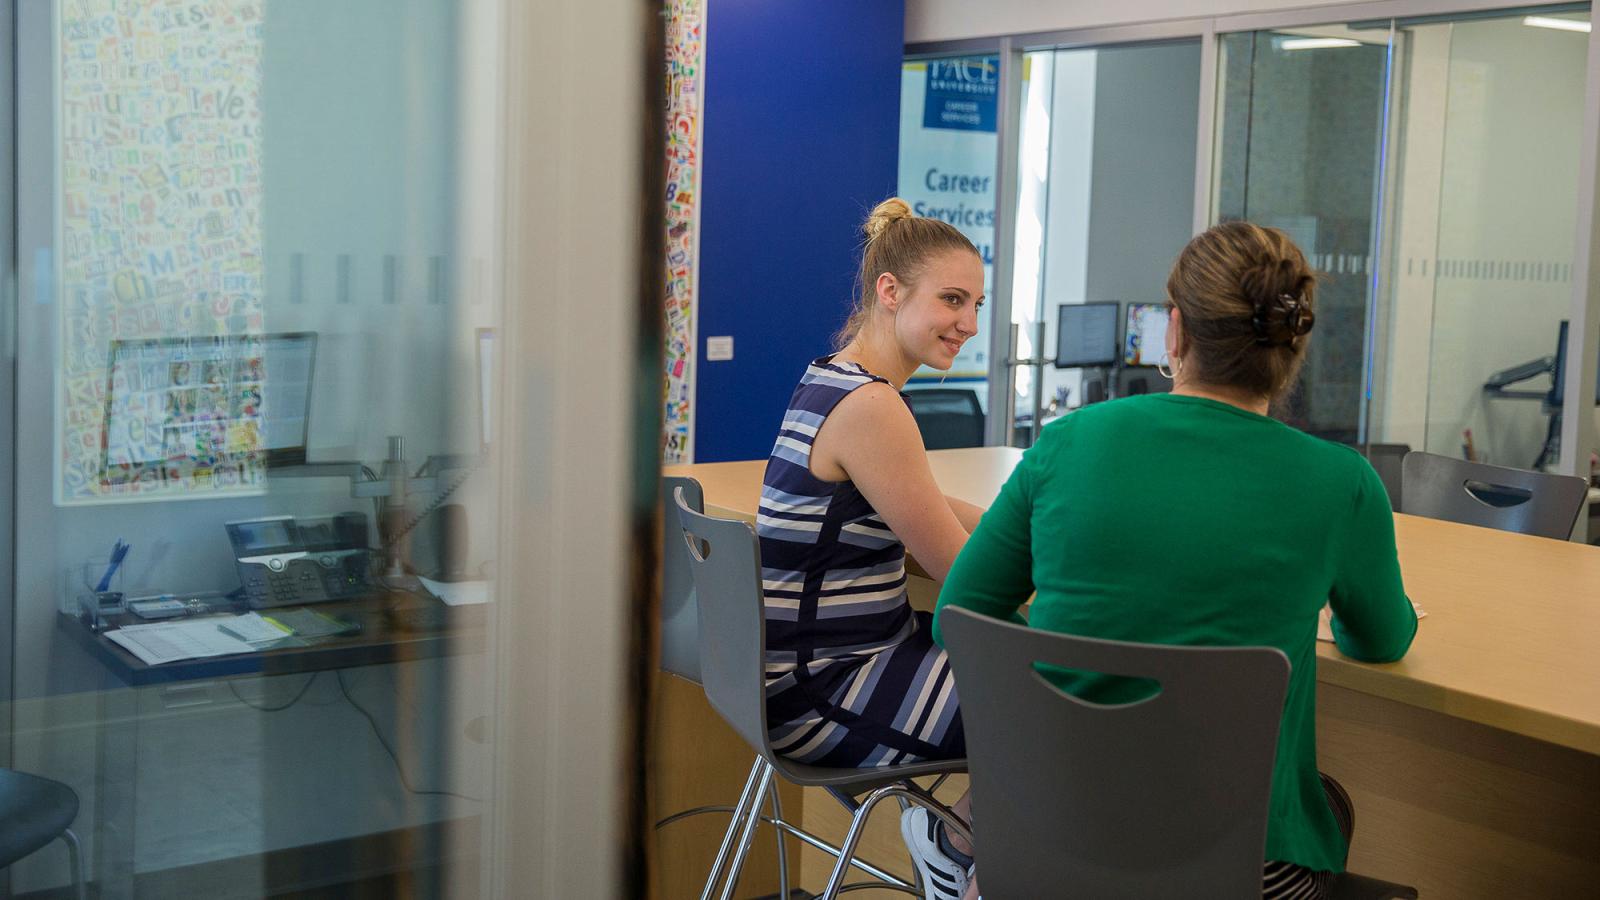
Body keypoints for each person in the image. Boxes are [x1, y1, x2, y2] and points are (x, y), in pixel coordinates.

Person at [934, 220, 1418, 899]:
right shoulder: (1342, 483)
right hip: (1240, 875)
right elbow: (1382, 637)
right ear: (1293, 348)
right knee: (1328, 801)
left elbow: (956, 613)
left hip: (1046, 849)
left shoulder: (1069, 442)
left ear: (1177, 333)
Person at [756, 197, 984, 899]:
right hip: (827, 694)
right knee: (1065, 705)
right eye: (952, 300)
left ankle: (956, 837)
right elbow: (963, 574)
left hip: (797, 675)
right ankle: (955, 843)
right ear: (890, 292)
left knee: (1044, 682)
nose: (969, 325)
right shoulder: (875, 408)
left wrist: (1032, 527)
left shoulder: (833, 377)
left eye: (975, 303)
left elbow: (929, 505)